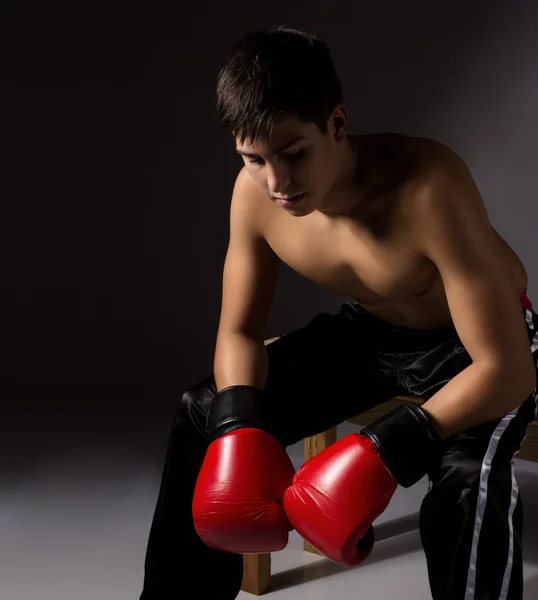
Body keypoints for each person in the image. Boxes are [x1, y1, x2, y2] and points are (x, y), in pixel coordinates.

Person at [139, 26, 538, 600]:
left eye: (293, 154)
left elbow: (507, 369)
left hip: (473, 349)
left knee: (466, 481)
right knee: (204, 412)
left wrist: (384, 445)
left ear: (337, 124)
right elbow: (240, 332)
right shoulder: (254, 195)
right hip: (371, 335)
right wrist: (238, 427)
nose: (276, 181)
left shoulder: (426, 186)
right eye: (254, 159)